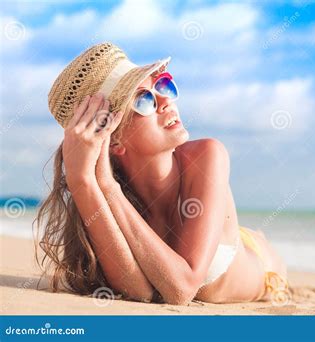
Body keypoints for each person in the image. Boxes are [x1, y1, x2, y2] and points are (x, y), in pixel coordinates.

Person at [35, 42, 288, 305]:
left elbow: (181, 289)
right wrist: (83, 181)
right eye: (144, 100)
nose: (166, 101)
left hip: (265, 268)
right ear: (114, 141)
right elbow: (141, 292)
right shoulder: (103, 198)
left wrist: (108, 185)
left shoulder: (207, 155)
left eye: (163, 85)